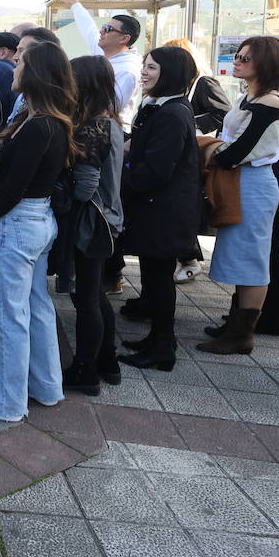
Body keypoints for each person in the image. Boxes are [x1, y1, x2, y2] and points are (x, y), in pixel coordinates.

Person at [0, 41, 76, 421]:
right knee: (35, 309)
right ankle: (45, 387)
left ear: (36, 73)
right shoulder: (46, 120)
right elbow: (6, 178)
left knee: (5, 315)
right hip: (37, 223)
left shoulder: (37, 125)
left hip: (19, 224)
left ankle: (4, 402)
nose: (13, 65)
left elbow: (11, 190)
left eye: (21, 61)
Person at [198, 36, 279, 356]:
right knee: (243, 255)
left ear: (265, 64)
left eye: (245, 58)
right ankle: (236, 326)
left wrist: (203, 146)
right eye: (237, 55)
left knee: (252, 258)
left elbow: (235, 151)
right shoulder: (255, 97)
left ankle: (242, 333)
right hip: (242, 181)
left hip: (252, 182)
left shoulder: (271, 101)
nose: (237, 61)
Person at [116, 46, 202, 371]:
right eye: (145, 66)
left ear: (171, 73)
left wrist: (118, 183)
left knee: (160, 282)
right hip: (157, 209)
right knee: (154, 281)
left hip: (165, 211)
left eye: (152, 67)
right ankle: (157, 340)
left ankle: (164, 346)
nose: (145, 73)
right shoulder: (159, 107)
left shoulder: (173, 113)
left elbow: (156, 171)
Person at [62, 56, 126, 394]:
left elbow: (85, 188)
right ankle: (107, 361)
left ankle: (85, 371)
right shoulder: (107, 121)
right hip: (105, 218)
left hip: (92, 221)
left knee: (86, 298)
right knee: (94, 295)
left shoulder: (94, 127)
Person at [64, 0, 143, 131]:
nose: (101, 31)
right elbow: (88, 30)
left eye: (107, 29)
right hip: (92, 127)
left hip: (109, 133)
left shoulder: (128, 70)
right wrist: (75, 4)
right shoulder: (109, 53)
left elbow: (109, 108)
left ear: (124, 39)